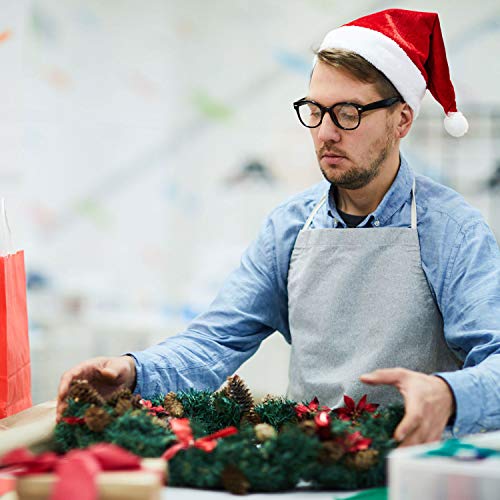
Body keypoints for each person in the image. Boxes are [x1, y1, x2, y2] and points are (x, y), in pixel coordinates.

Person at [57, 9, 500, 446]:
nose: (326, 132)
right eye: (316, 110)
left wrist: (447, 394)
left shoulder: (452, 232)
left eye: (348, 112)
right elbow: (215, 339)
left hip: (418, 473)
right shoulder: (289, 226)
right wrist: (135, 372)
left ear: (402, 119)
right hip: (308, 466)